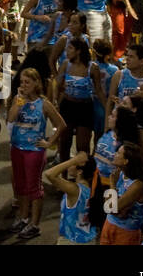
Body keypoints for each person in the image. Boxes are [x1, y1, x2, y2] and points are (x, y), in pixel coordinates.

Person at [7, 67, 65, 240]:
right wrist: (19, 102)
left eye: (27, 82)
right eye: (22, 82)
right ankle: (24, 218)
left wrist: (49, 142)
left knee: (34, 188)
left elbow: (61, 125)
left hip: (34, 151)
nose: (24, 85)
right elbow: (10, 119)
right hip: (17, 148)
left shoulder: (44, 103)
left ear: (36, 83)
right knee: (21, 186)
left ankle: (35, 224)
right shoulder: (18, 100)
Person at [44, 152, 97, 244]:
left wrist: (74, 160)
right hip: (88, 238)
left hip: (73, 240)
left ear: (80, 171)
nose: (69, 165)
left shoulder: (74, 190)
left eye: (72, 164)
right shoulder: (92, 188)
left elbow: (49, 174)